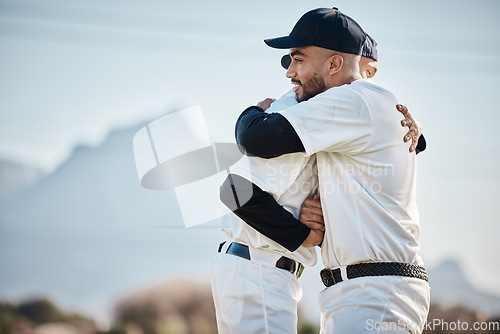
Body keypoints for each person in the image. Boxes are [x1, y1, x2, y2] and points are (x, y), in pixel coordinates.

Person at [212, 18, 427, 334]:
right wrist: (313, 219)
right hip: (349, 289)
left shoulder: (351, 99)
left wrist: (252, 113)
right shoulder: (330, 116)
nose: (289, 73)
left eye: (298, 59)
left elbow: (255, 140)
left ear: (334, 64)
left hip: (376, 291)